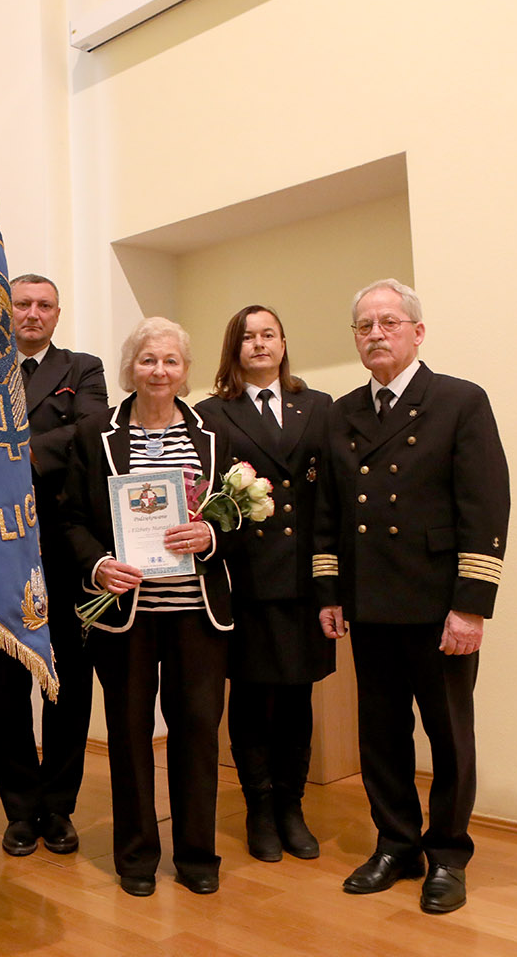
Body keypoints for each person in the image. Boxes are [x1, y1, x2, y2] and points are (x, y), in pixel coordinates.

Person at [313, 278, 509, 914]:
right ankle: (396, 844)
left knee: (448, 735)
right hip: (370, 602)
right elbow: (328, 510)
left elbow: (485, 505)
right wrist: (329, 590)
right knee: (381, 733)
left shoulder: (459, 401)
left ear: (417, 332)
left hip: (437, 604)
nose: (376, 334)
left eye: (389, 323)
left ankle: (447, 854)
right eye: (364, 326)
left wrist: (471, 605)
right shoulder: (341, 413)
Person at [63, 317, 233, 898]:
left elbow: (239, 518)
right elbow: (71, 519)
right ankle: (136, 856)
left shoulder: (215, 434)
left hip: (197, 612)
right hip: (126, 613)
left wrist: (211, 535)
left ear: (185, 371)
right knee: (130, 734)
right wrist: (97, 565)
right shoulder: (96, 435)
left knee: (197, 733)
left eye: (170, 361)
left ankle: (197, 855)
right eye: (147, 360)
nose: (159, 371)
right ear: (130, 367)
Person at [195, 305, 334, 863]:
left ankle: (291, 807)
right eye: (248, 336)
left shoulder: (318, 406)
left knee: (298, 696)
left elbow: (330, 493)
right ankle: (258, 808)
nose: (259, 344)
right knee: (251, 697)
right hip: (244, 576)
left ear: (283, 343)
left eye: (268, 334)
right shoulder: (211, 413)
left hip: (303, 576)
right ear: (234, 348)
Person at [0, 273, 108, 858]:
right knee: (9, 685)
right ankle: (20, 808)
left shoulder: (81, 368)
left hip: (66, 546)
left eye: (44, 305)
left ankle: (59, 805)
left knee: (68, 681)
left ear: (57, 314)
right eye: (22, 303)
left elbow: (91, 428)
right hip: (0, 547)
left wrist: (21, 451)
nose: (32, 313)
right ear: (5, 310)